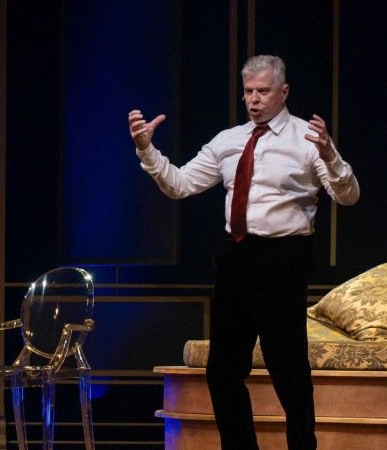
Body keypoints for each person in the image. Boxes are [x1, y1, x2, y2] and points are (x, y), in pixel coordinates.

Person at [128, 55, 359, 450]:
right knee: (222, 372)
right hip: (236, 257)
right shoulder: (229, 140)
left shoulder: (307, 140)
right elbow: (180, 184)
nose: (254, 99)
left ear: (284, 92)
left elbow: (348, 195)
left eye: (263, 91)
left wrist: (330, 156)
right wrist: (147, 150)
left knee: (288, 371)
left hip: (284, 258)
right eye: (248, 91)